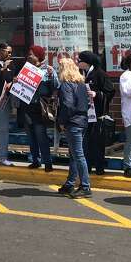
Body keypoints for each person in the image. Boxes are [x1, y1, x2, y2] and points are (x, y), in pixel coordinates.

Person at [55, 57, 91, 199]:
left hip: (73, 123)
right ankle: (70, 183)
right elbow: (86, 102)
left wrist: (62, 122)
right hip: (82, 121)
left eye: (60, 68)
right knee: (74, 155)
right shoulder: (81, 83)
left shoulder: (66, 85)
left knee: (78, 155)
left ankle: (85, 186)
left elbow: (68, 105)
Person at [21, 46, 58, 172]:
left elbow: (56, 86)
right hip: (27, 106)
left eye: (31, 54)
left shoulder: (48, 70)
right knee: (30, 136)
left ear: (38, 56)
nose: (29, 56)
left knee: (41, 135)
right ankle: (35, 160)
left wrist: (51, 76)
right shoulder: (25, 69)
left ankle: (47, 163)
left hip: (40, 108)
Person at [78, 50, 113, 175]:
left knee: (97, 142)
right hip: (84, 113)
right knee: (86, 142)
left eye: (80, 61)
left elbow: (110, 91)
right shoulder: (80, 74)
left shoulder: (100, 74)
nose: (78, 63)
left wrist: (96, 94)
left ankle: (99, 168)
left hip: (97, 114)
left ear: (86, 62)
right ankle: (87, 167)